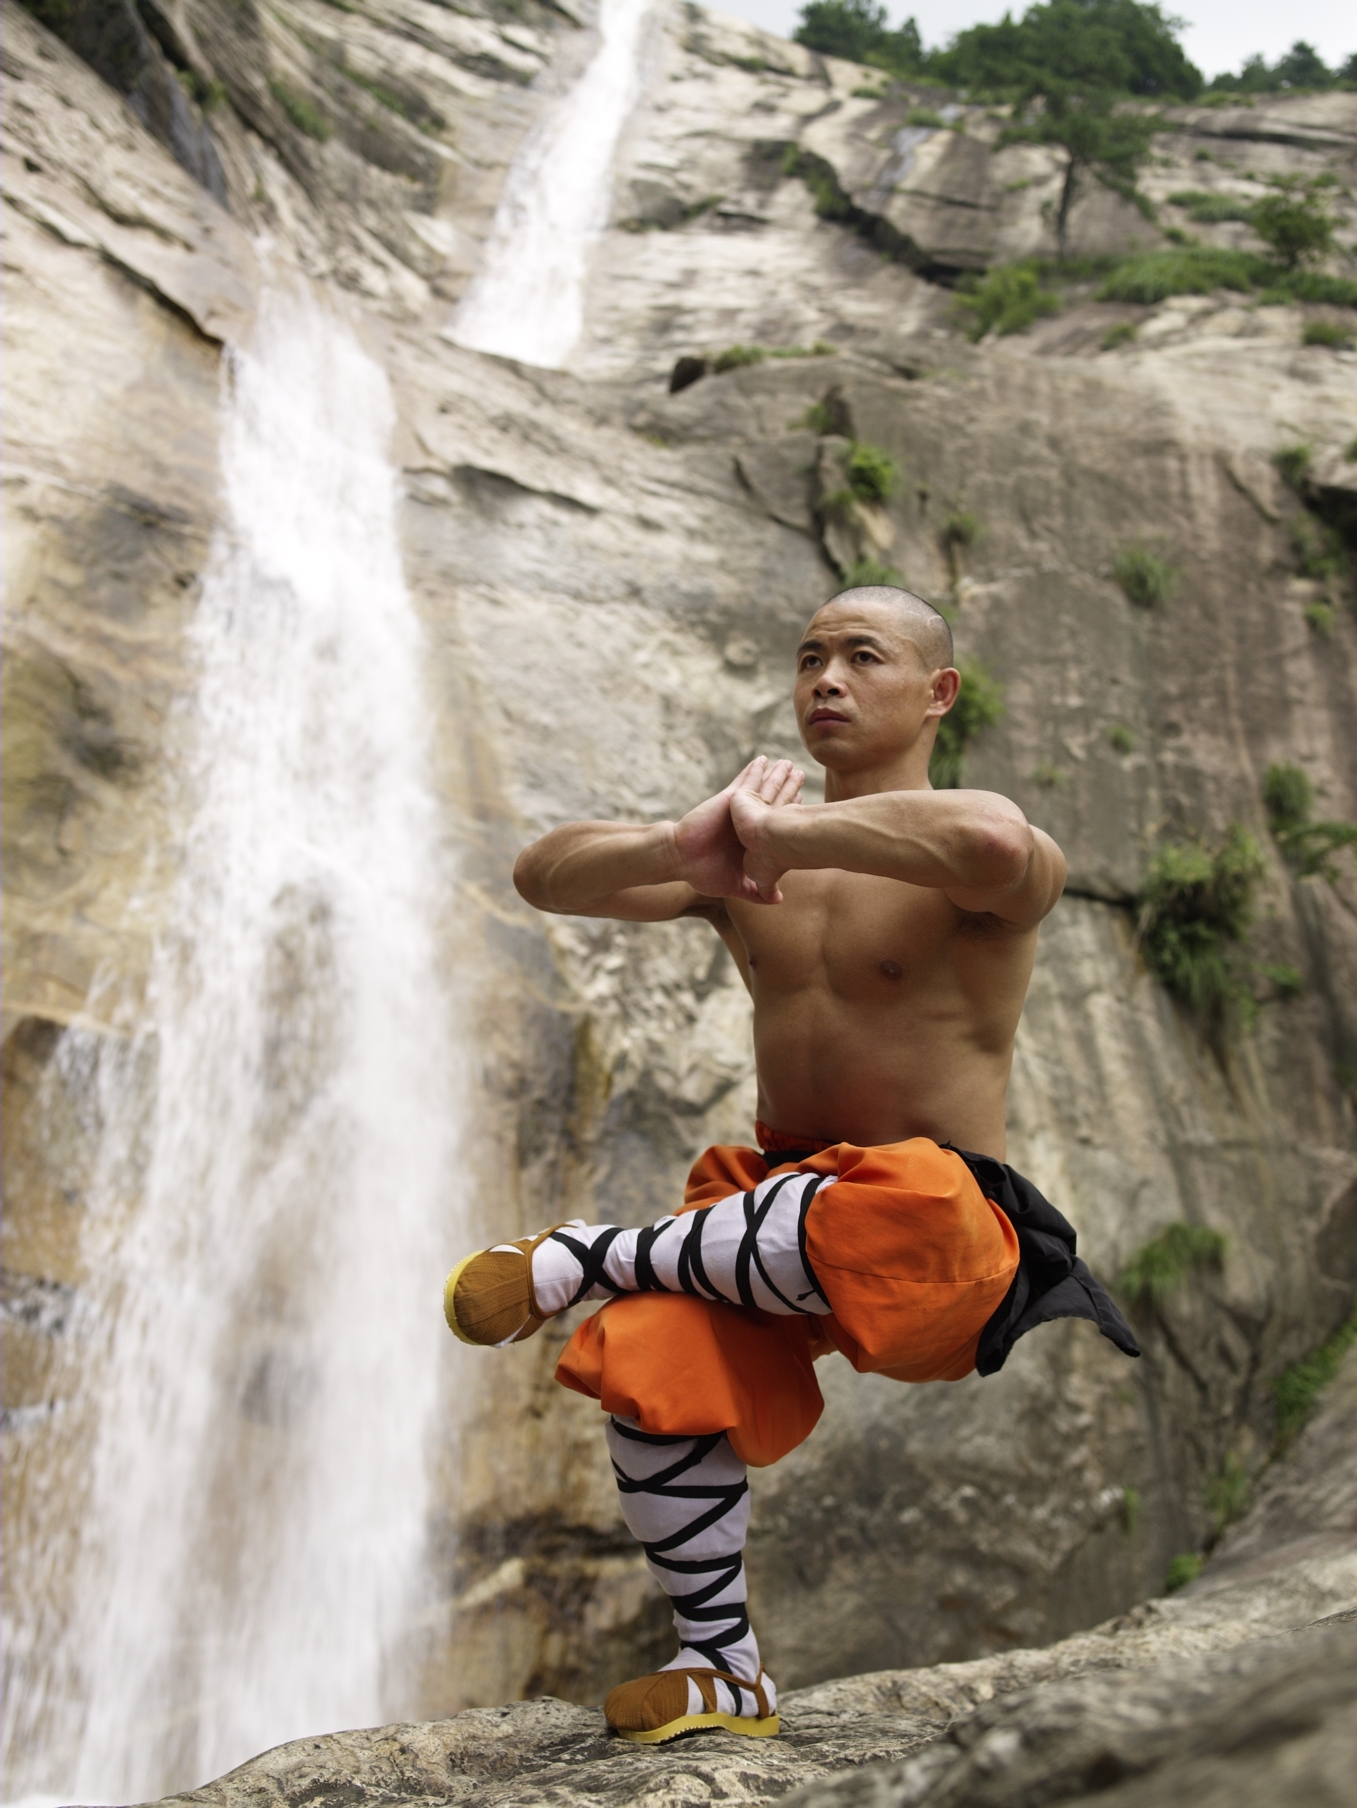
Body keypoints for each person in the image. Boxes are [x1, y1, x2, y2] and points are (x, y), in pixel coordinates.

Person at [443, 585, 1138, 1744]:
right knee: (652, 1350)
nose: (825, 678)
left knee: (912, 1188)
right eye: (810, 657)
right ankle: (722, 1667)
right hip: (767, 1231)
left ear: (937, 691)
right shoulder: (737, 865)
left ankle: (586, 1255)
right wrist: (682, 848)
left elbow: (996, 841)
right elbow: (542, 872)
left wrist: (787, 836)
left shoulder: (970, 860)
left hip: (934, 1237)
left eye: (861, 656)